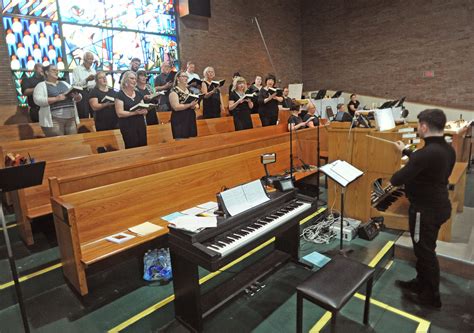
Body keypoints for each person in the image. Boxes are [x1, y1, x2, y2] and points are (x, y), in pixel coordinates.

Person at [391, 109, 455, 309]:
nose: (418, 128)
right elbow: (426, 162)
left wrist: (409, 158)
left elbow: (396, 180)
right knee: (426, 248)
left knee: (425, 252)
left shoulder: (425, 154)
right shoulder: (447, 149)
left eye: (419, 125)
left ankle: (431, 297)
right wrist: (407, 152)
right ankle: (421, 283)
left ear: (424, 126)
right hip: (440, 206)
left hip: (424, 211)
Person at [33, 64, 81, 137]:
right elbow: (37, 100)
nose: (57, 72)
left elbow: (78, 97)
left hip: (71, 119)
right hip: (54, 120)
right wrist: (56, 98)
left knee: (73, 142)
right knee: (59, 144)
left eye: (57, 70)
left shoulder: (64, 83)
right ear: (46, 72)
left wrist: (77, 97)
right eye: (53, 70)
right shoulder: (41, 85)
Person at [115, 71, 148, 149]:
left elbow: (144, 107)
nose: (134, 80)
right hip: (127, 125)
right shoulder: (120, 95)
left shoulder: (138, 93)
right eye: (132, 78)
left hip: (140, 124)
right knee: (132, 146)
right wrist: (134, 113)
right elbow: (119, 113)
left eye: (135, 79)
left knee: (143, 146)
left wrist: (145, 111)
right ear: (125, 80)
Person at [169, 70, 198, 139]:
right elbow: (176, 107)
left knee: (192, 141)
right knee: (181, 142)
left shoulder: (190, 91)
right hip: (179, 119)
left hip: (190, 117)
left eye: (186, 76)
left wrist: (194, 105)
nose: (186, 78)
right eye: (183, 76)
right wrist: (190, 105)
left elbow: (196, 105)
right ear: (177, 78)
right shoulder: (174, 91)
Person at [72, 51, 96, 118]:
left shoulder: (93, 70)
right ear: (84, 60)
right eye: (89, 59)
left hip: (92, 92)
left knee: (94, 113)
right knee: (83, 114)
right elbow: (75, 85)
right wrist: (86, 80)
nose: (91, 61)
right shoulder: (77, 69)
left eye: (92, 59)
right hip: (82, 93)